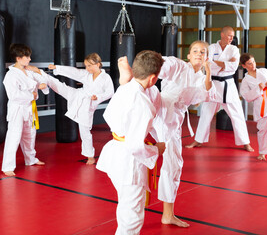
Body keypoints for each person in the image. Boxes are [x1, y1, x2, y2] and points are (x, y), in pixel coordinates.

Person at [96, 52, 165, 235]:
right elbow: (135, 146)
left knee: (126, 206)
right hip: (129, 162)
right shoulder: (142, 104)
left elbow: (107, 115)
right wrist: (156, 149)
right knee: (132, 217)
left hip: (115, 152)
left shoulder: (125, 89)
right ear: (153, 78)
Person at [150, 40, 215, 228]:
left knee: (173, 163)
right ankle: (166, 215)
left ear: (207, 57)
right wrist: (152, 60)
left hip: (174, 118)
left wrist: (209, 72)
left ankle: (167, 214)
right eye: (195, 50)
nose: (198, 54)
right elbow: (165, 64)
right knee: (172, 163)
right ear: (188, 55)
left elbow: (204, 95)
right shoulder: (179, 66)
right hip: (161, 109)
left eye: (203, 52)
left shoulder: (201, 76)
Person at [186, 26, 253, 152]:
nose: (231, 38)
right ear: (222, 35)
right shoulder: (211, 48)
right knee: (206, 113)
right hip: (213, 83)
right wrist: (223, 64)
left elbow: (233, 67)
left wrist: (217, 63)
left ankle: (245, 142)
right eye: (229, 36)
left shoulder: (234, 49)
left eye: (232, 36)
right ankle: (198, 140)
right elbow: (207, 65)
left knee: (237, 114)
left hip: (228, 85)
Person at [47, 53, 114, 164]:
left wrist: (98, 97)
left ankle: (90, 156)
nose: (87, 68)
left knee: (84, 131)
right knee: (60, 87)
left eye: (89, 66)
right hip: (78, 95)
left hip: (88, 104)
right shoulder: (86, 74)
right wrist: (57, 68)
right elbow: (74, 72)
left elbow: (110, 92)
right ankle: (42, 76)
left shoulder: (105, 78)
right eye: (86, 66)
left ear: (98, 64)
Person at [2, 44, 49, 176]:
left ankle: (31, 159)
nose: (29, 59)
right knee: (14, 136)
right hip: (17, 109)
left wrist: (42, 84)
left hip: (29, 108)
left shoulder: (28, 71)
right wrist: (32, 95)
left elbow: (41, 79)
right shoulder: (10, 76)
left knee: (30, 134)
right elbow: (13, 95)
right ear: (18, 58)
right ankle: (8, 166)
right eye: (27, 57)